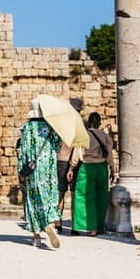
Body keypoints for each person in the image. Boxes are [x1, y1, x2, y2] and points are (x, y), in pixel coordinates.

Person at [18, 99, 62, 249]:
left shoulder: (27, 128)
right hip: (48, 168)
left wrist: (21, 171)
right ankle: (49, 223)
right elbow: (57, 146)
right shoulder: (51, 127)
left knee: (32, 198)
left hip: (33, 169)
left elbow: (22, 151)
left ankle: (36, 235)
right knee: (49, 195)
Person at [68, 112, 115, 236]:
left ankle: (87, 226)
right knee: (101, 197)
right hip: (101, 167)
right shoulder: (105, 136)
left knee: (83, 197)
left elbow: (77, 152)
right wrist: (112, 169)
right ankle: (99, 226)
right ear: (99, 123)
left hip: (87, 167)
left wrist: (71, 168)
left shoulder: (84, 135)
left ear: (89, 122)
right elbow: (109, 154)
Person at [54, 98, 83, 234]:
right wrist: (72, 167)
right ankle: (74, 226)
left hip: (59, 161)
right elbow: (77, 148)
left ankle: (58, 223)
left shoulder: (60, 124)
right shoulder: (77, 125)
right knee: (74, 195)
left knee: (60, 193)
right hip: (72, 162)